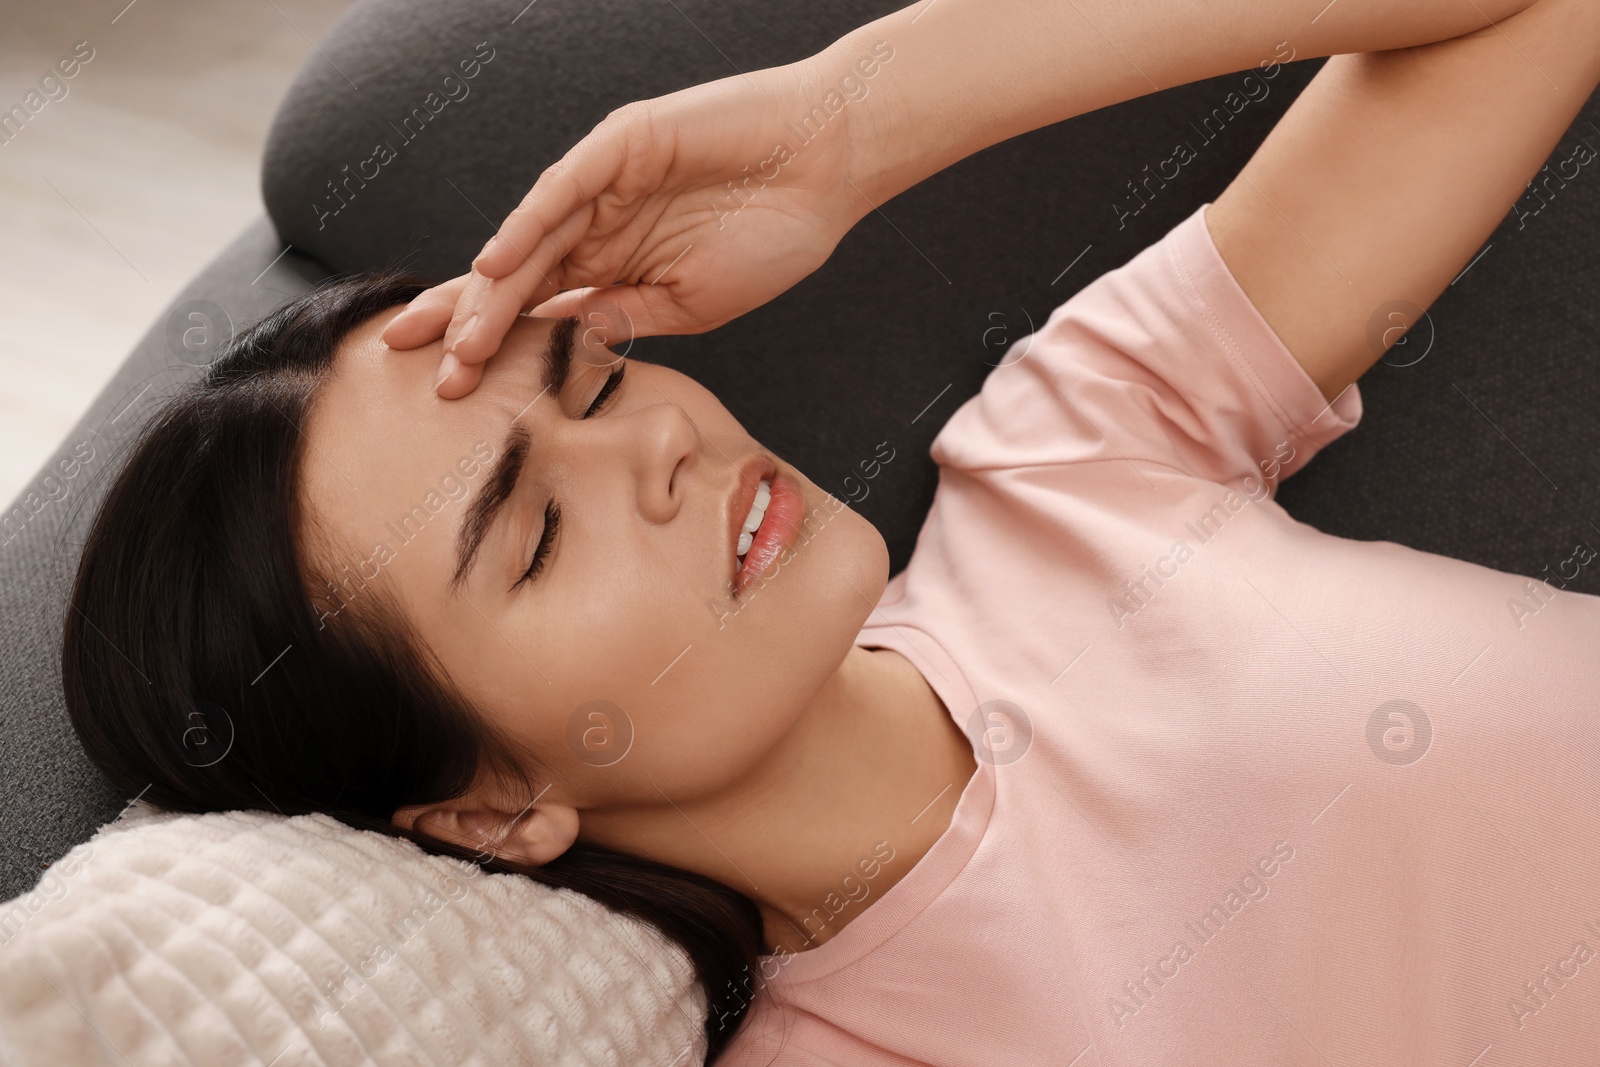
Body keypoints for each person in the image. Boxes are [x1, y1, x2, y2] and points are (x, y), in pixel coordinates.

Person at [63, 0, 1600, 1064]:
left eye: (594, 383)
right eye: (532, 538)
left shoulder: (1068, 459)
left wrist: (847, 123)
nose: (659, 444)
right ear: (485, 812)